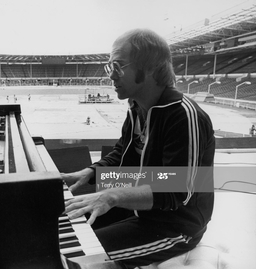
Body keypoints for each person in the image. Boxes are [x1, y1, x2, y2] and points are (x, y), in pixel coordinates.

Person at [63, 28, 215, 268]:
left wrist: (112, 195)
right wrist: (91, 172)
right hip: (135, 209)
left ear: (151, 67)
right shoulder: (136, 108)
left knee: (74, 258)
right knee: (59, 223)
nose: (111, 76)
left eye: (118, 66)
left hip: (176, 226)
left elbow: (176, 190)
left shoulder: (184, 116)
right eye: (109, 66)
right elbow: (121, 153)